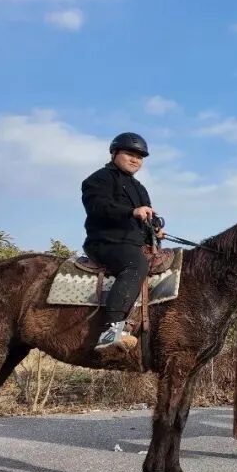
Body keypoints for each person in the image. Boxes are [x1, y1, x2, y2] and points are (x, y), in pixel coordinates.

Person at [81, 132, 165, 352]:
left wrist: (155, 230)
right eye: (130, 154)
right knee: (135, 265)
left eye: (140, 157)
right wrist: (131, 211)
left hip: (133, 243)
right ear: (114, 153)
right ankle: (111, 331)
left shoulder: (140, 188)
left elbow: (145, 218)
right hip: (106, 242)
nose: (135, 160)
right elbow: (97, 207)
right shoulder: (99, 179)